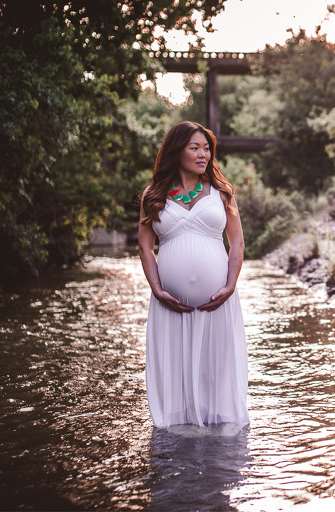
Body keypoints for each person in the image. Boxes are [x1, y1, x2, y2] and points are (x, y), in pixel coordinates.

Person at [138, 121, 248, 429]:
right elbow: (146, 248)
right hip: (169, 303)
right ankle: (177, 431)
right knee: (176, 367)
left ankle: (221, 433)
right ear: (177, 151)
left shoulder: (222, 192)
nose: (203, 154)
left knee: (216, 367)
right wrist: (158, 289)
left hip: (219, 300)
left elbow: (237, 242)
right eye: (194, 147)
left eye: (207, 148)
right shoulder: (154, 195)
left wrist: (229, 285)